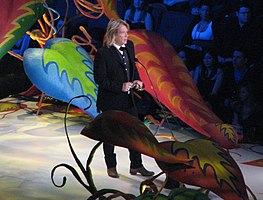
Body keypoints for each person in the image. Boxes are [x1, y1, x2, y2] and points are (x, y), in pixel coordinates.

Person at [93, 19, 154, 178]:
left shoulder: (130, 47)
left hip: (128, 101)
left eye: (127, 33)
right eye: (123, 33)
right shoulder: (103, 53)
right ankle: (111, 166)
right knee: (110, 135)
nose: (127, 36)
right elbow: (100, 80)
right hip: (110, 101)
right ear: (114, 34)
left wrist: (137, 81)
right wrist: (120, 86)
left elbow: (132, 69)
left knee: (134, 133)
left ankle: (136, 165)